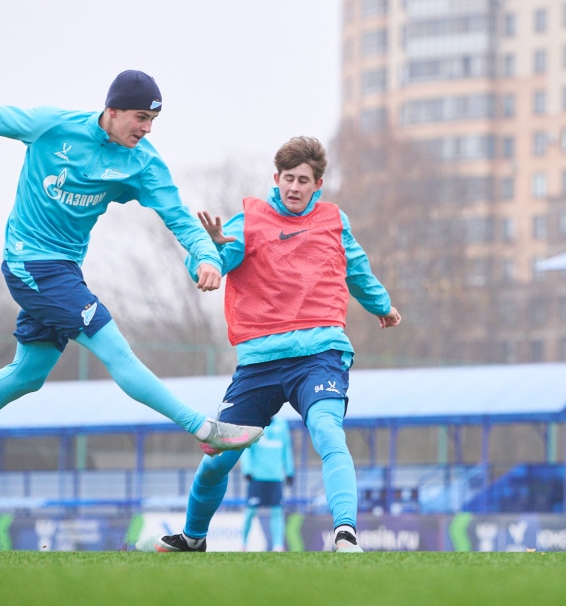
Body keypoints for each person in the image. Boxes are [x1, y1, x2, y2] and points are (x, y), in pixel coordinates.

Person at [0, 70, 263, 497]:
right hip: (29, 262)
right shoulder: (53, 125)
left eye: (152, 122)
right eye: (140, 118)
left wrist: (206, 257)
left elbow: (179, 216)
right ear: (112, 110)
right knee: (114, 346)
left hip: (64, 271)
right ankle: (202, 428)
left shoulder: (142, 162)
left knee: (28, 373)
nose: (145, 129)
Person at [138, 136, 401, 554]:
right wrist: (208, 258)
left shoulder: (334, 220)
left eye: (304, 180)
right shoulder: (250, 221)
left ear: (318, 185)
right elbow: (215, 257)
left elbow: (357, 268)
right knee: (218, 457)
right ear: (275, 179)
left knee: (328, 432)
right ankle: (192, 537)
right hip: (260, 361)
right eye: (288, 179)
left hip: (320, 354)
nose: (294, 187)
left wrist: (382, 305)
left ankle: (346, 535)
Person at [240, 414, 295, 552]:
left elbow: (286, 448)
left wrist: (289, 471)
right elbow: (246, 448)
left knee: (277, 511)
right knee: (250, 512)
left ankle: (278, 546)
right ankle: (243, 544)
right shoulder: (253, 422)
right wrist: (247, 469)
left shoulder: (282, 425)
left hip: (276, 477)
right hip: (257, 477)